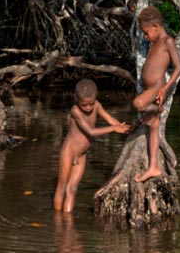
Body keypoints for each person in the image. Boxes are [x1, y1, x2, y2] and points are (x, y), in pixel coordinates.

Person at [53, 78, 130, 212]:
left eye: (91, 104)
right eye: (84, 105)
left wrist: (124, 128)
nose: (88, 108)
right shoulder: (75, 110)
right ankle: (58, 222)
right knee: (62, 187)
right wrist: (113, 129)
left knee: (72, 188)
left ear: (95, 99)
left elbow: (110, 119)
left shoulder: (97, 105)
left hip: (82, 154)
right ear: (76, 99)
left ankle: (67, 219)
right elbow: (91, 132)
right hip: (69, 152)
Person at [132, 5, 180, 182]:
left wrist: (164, 88)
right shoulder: (154, 43)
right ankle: (153, 166)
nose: (146, 36)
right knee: (153, 127)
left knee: (138, 104)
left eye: (147, 33)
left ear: (155, 27)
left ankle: (157, 110)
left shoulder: (167, 41)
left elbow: (178, 67)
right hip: (149, 89)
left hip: (156, 88)